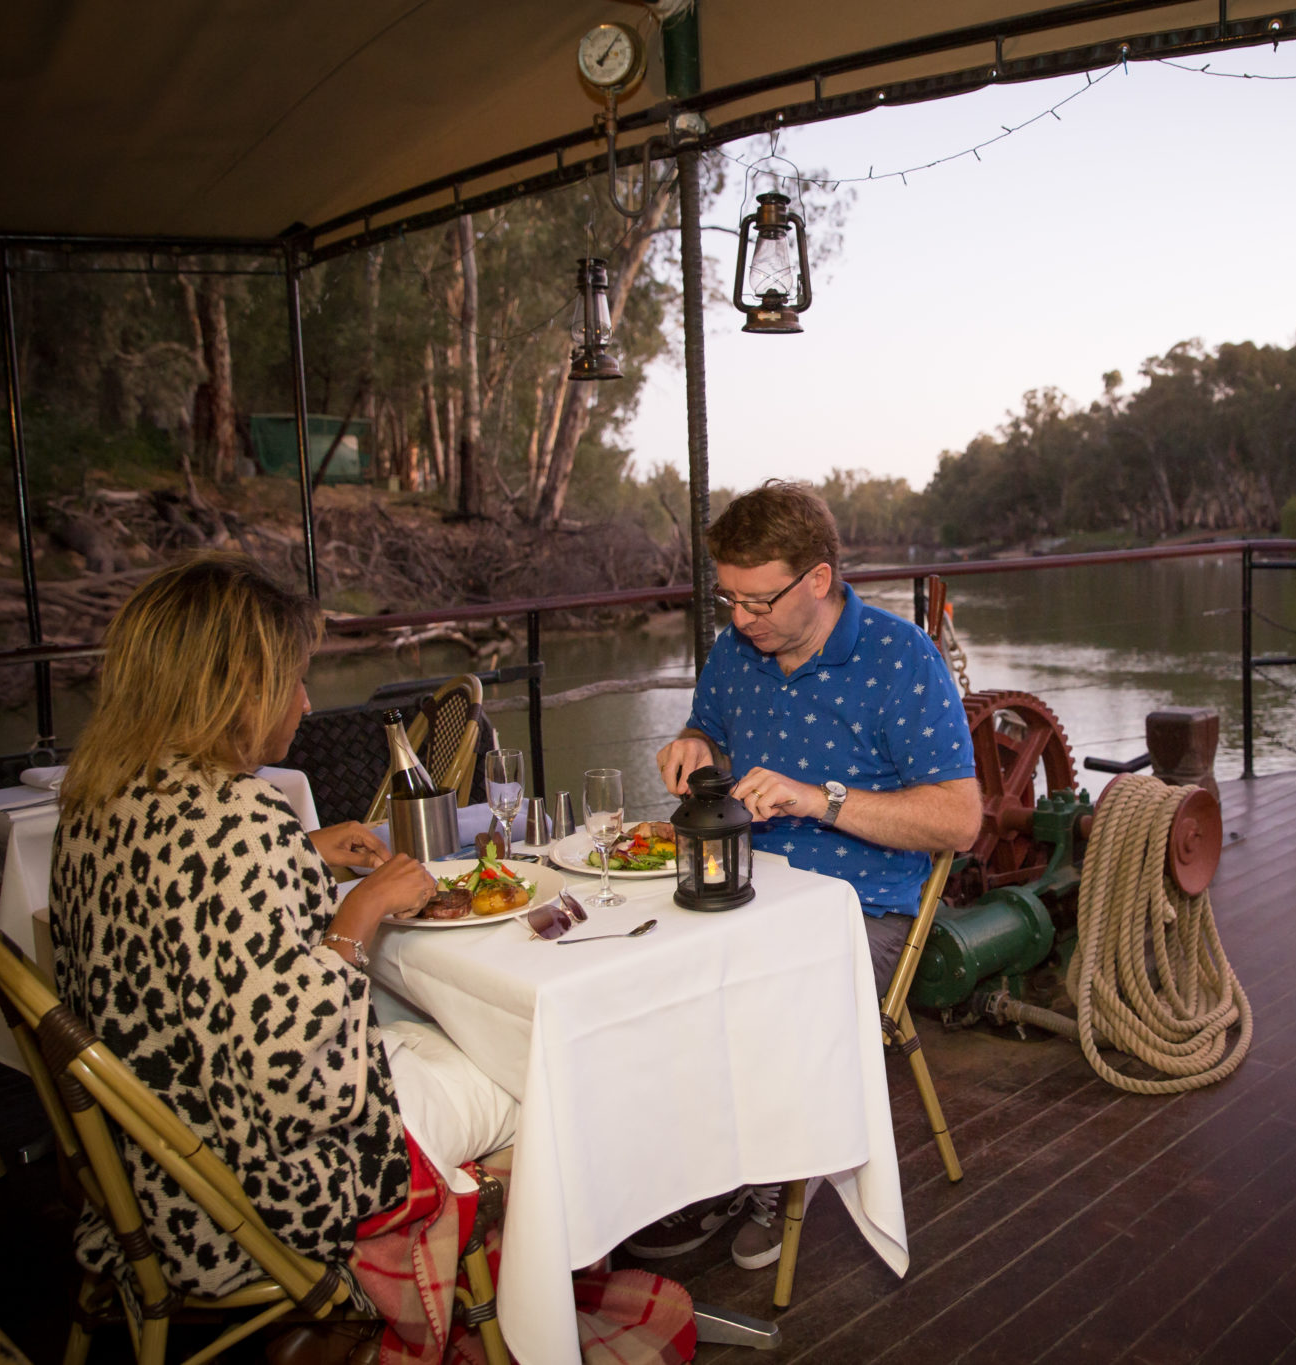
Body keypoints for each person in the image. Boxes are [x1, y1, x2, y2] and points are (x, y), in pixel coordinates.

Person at [48, 554, 693, 1365]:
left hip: (144, 1167)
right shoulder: (239, 817)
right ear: (233, 688)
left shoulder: (101, 792)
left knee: (437, 1020)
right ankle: (526, 1316)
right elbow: (297, 1085)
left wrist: (301, 853)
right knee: (539, 1068)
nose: (306, 701)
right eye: (292, 680)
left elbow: (197, 931)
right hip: (253, 1190)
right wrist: (356, 914)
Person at [627, 480, 979, 1273]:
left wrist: (820, 800)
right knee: (634, 969)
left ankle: (770, 1172)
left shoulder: (901, 659)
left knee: (762, 1004)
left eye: (758, 601)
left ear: (818, 579)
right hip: (747, 885)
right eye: (730, 600)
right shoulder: (734, 651)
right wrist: (695, 746)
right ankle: (693, 1167)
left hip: (865, 909)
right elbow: (711, 733)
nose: (741, 619)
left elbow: (960, 820)